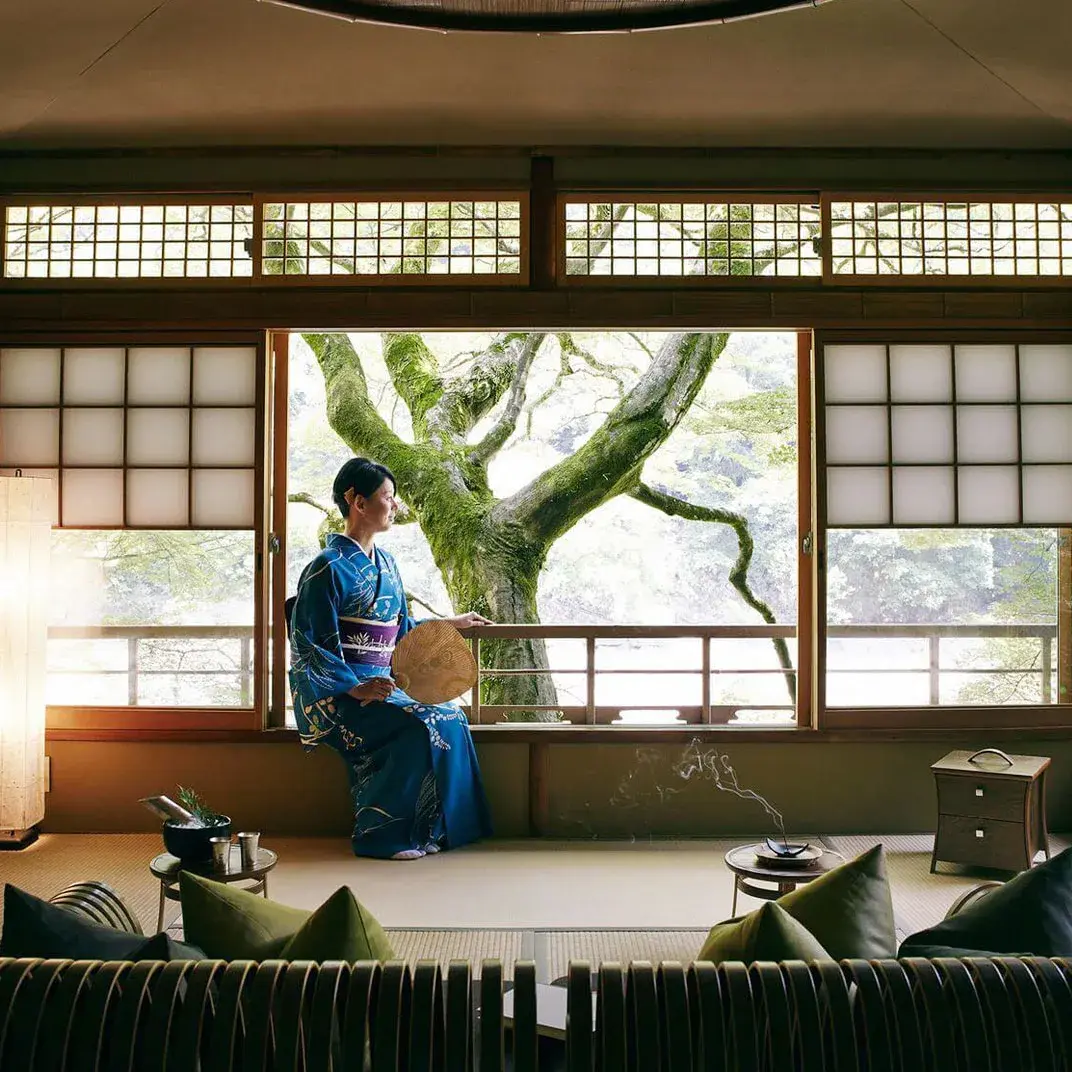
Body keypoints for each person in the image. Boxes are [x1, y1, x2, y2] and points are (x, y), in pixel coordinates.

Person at [289, 457, 494, 860]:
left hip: (385, 684)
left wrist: (450, 623)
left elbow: (398, 628)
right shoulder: (324, 568)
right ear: (358, 502)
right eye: (388, 497)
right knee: (420, 725)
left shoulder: (389, 564)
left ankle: (433, 829)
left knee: (449, 714)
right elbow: (309, 643)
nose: (395, 505)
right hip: (344, 696)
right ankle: (382, 836)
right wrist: (354, 686)